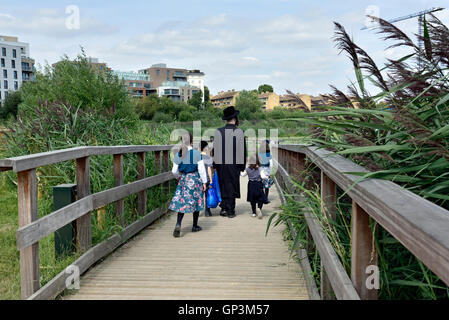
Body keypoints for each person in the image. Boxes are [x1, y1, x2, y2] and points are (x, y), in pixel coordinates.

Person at [169, 132, 208, 237]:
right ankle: (195, 226)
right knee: (196, 202)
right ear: (191, 142)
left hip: (184, 179)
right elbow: (201, 170)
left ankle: (178, 224)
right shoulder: (196, 154)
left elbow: (174, 171)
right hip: (195, 179)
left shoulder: (179, 154)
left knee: (182, 202)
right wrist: (204, 182)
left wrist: (179, 177)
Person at [213, 106, 247, 218]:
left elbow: (215, 150)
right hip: (234, 164)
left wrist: (215, 165)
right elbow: (242, 151)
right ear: (235, 118)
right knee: (232, 185)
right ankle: (230, 210)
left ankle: (224, 208)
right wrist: (242, 167)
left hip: (221, 163)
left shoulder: (218, 131)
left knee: (223, 184)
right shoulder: (239, 132)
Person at [240, 155, 268, 219]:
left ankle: (253, 213)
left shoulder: (248, 169)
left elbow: (243, 175)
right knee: (260, 198)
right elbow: (263, 176)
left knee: (252, 199)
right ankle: (259, 208)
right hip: (258, 184)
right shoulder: (260, 169)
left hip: (251, 184)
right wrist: (266, 177)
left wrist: (240, 171)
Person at [200, 140, 214, 217]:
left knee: (199, 196)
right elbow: (209, 169)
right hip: (207, 180)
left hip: (199, 180)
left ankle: (197, 211)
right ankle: (207, 211)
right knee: (207, 195)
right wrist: (211, 180)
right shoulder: (208, 158)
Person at [259, 140, 274, 204]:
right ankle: (266, 198)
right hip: (266, 170)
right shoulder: (268, 153)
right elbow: (271, 163)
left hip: (260, 169)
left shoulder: (259, 153)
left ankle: (261, 197)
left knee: (261, 184)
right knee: (266, 185)